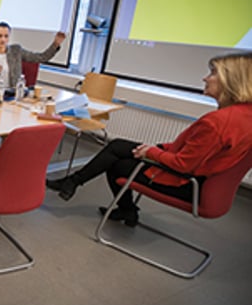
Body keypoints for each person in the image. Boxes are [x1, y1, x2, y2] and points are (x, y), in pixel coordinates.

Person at [46, 53, 252, 227]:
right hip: (206, 181)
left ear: (231, 80)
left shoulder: (218, 122)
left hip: (188, 184)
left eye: (213, 73)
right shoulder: (244, 116)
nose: (206, 78)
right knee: (117, 146)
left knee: (117, 164)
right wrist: (156, 149)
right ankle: (74, 184)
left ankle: (100, 196)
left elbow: (183, 164)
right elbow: (197, 151)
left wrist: (152, 153)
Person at [0, 22, 66, 154]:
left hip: (10, 93)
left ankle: (8, 147)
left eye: (6, 36)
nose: (3, 40)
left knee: (13, 119)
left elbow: (40, 57)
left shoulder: (16, 51)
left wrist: (55, 44)